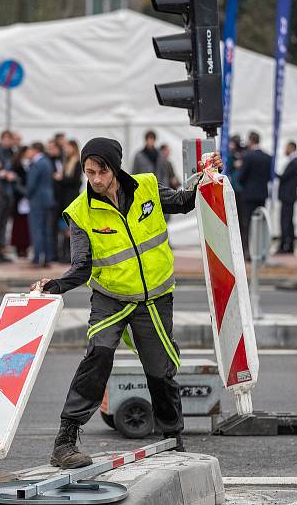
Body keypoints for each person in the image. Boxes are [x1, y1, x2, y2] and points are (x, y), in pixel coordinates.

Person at [30, 137, 223, 468]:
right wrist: (56, 286)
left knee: (160, 371)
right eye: (89, 173)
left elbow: (183, 202)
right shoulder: (80, 212)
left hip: (154, 298)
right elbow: (81, 267)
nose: (94, 180)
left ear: (114, 168)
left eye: (100, 172)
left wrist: (211, 178)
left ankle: (172, 438)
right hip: (110, 298)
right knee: (98, 355)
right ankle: (64, 441)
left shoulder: (147, 187)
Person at [237, 131, 271, 260]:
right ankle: (261, 251)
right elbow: (269, 176)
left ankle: (248, 252)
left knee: (248, 224)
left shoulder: (248, 156)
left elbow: (241, 176)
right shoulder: (267, 157)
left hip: (248, 195)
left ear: (251, 141)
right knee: (261, 223)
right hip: (262, 194)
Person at [26, 142, 56, 267]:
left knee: (37, 229)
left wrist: (27, 194)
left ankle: (37, 257)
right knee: (46, 230)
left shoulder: (37, 164)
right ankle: (47, 257)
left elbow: (31, 184)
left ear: (35, 150)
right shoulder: (47, 162)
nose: (27, 153)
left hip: (37, 200)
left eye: (29, 150)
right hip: (48, 199)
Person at [0, 130, 18, 262]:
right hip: (0, 193)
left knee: (3, 225)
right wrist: (6, 174)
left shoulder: (11, 152)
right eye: (6, 139)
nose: (8, 142)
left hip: (8, 193)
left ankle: (0, 252)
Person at [57, 139, 83, 260]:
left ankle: (69, 255)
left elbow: (75, 181)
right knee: (64, 228)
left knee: (69, 228)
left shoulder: (76, 162)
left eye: (68, 147)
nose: (66, 150)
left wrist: (61, 179)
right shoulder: (66, 162)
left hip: (71, 198)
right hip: (65, 198)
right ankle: (64, 253)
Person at [276, 140, 297, 254]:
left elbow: (284, 177)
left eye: (286, 148)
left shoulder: (294, 163)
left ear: (291, 148)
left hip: (288, 197)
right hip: (289, 197)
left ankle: (285, 245)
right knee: (289, 221)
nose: (284, 150)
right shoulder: (294, 162)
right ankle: (289, 245)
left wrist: (274, 173)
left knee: (285, 221)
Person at [10, 146, 31, 259]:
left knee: (26, 225)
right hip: (19, 198)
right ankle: (19, 247)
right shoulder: (17, 166)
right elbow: (16, 183)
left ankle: (26, 247)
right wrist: (24, 192)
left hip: (28, 198)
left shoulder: (30, 165)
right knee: (19, 225)